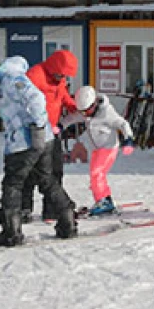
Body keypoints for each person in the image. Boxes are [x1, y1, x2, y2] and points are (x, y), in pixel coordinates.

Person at [0, 50, 77, 246]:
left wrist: (37, 126)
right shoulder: (7, 78)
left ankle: (12, 232)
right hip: (41, 139)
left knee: (13, 184)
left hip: (24, 142)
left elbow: (36, 98)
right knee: (46, 180)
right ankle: (67, 221)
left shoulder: (10, 80)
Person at [21, 49, 79, 221]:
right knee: (30, 171)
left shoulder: (59, 79)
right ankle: (24, 209)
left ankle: (51, 210)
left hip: (52, 132)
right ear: (54, 67)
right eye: (61, 74)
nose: (63, 78)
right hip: (33, 132)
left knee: (55, 172)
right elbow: (22, 101)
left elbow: (63, 97)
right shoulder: (34, 76)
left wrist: (76, 107)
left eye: (65, 76)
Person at [63, 86, 135, 216]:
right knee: (95, 175)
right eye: (82, 112)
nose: (85, 114)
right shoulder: (85, 112)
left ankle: (103, 202)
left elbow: (122, 124)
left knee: (97, 173)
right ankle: (104, 199)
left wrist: (128, 139)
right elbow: (72, 118)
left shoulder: (107, 113)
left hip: (108, 147)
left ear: (94, 103)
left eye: (87, 111)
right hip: (96, 148)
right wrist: (60, 126)